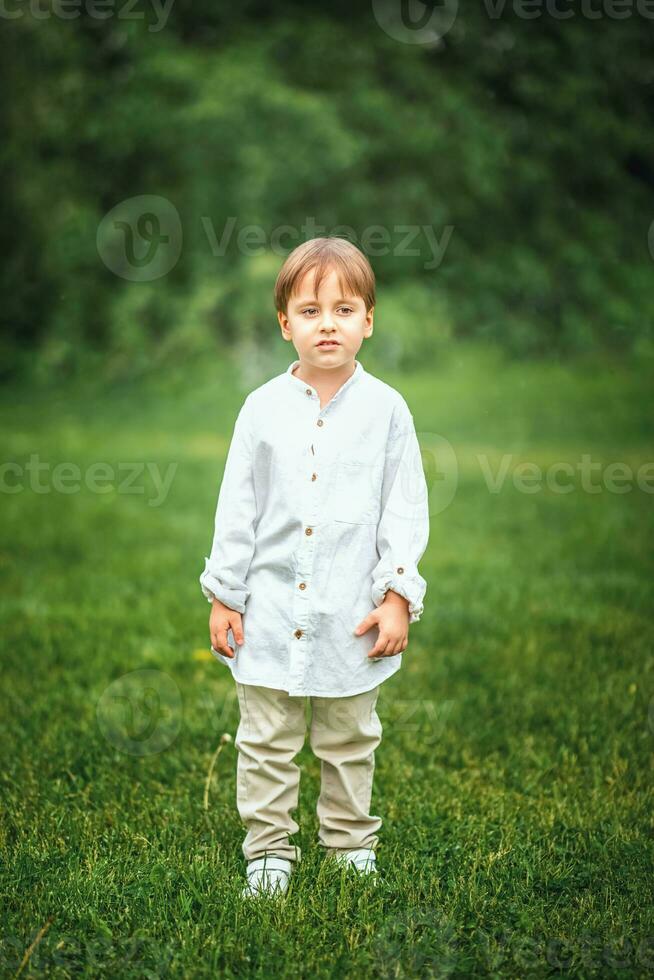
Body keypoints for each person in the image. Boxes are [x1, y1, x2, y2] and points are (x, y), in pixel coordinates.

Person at [199, 236, 430, 898]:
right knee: (266, 741)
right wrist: (226, 595)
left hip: (350, 616)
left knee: (349, 739)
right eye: (309, 310)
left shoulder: (387, 411)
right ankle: (268, 850)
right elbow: (236, 509)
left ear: (369, 320)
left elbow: (404, 510)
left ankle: (349, 843)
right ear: (284, 324)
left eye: (344, 308)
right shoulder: (261, 410)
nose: (327, 323)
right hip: (270, 613)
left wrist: (396, 595)